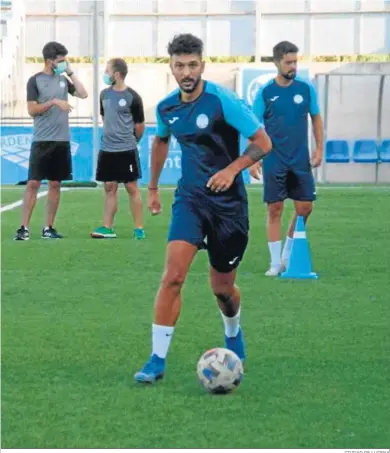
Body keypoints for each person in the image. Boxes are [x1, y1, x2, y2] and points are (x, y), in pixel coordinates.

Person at [134, 33, 272, 384]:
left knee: (222, 290)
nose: (187, 72)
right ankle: (156, 359)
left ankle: (232, 330)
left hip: (228, 208)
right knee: (173, 276)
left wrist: (231, 170)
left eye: (192, 65)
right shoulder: (167, 108)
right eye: (180, 65)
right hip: (191, 200)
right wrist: (152, 188)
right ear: (171, 67)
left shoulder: (222, 101)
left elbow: (263, 142)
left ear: (202, 65)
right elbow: (161, 140)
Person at [250, 41, 324, 276]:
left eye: (295, 62)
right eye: (288, 62)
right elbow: (253, 127)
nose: (293, 66)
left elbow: (316, 118)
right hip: (274, 158)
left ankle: (287, 255)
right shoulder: (266, 93)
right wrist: (253, 158)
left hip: (300, 159)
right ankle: (274, 264)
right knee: (275, 208)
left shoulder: (305, 89)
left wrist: (320, 148)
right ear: (277, 63)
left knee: (305, 207)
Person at [14, 41, 88, 240]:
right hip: (42, 140)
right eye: (61, 60)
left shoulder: (64, 79)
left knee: (55, 184)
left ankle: (48, 228)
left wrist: (70, 72)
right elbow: (32, 110)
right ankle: (24, 228)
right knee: (33, 183)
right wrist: (54, 102)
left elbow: (83, 94)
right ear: (49, 61)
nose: (64, 63)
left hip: (62, 140)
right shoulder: (35, 81)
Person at [91, 58, 146, 239]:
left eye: (107, 71)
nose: (105, 74)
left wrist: (130, 142)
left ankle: (138, 228)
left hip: (126, 150)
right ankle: (107, 227)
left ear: (117, 74)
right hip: (107, 149)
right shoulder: (104, 95)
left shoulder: (133, 97)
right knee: (109, 187)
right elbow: (105, 116)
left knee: (131, 188)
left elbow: (139, 126)